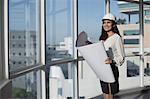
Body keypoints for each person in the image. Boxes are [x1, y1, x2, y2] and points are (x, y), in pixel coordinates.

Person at [99, 13, 125, 99]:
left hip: (111, 69)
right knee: (105, 93)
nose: (105, 25)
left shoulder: (116, 37)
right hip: (103, 70)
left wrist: (112, 61)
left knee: (110, 95)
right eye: (104, 22)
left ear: (113, 24)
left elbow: (121, 57)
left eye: (108, 22)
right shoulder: (102, 37)